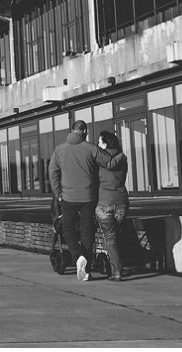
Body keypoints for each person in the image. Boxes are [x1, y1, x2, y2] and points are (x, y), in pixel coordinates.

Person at [48, 120, 124, 281]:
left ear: (72, 131)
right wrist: (120, 154)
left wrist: (58, 193)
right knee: (87, 231)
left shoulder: (59, 150)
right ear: (85, 132)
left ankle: (77, 256)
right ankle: (86, 268)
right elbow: (109, 163)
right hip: (89, 197)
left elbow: (52, 172)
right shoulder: (91, 148)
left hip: (68, 197)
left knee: (67, 228)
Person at [95, 130, 129, 282]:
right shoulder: (123, 158)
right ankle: (119, 266)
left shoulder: (98, 160)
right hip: (121, 201)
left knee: (110, 238)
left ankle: (117, 272)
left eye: (100, 142)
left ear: (106, 143)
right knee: (118, 235)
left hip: (104, 201)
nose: (97, 144)